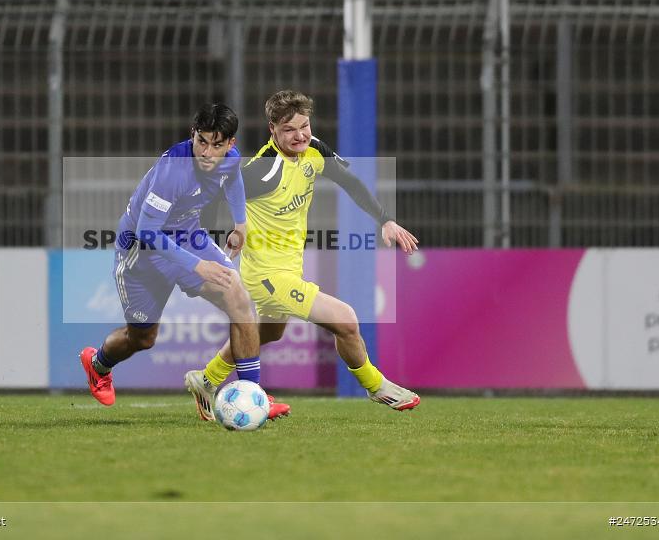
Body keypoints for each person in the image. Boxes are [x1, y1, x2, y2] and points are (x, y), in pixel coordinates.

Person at [185, 90, 421, 420]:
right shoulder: (264, 171)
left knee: (269, 331)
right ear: (272, 129)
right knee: (346, 320)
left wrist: (386, 220)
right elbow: (212, 194)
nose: (300, 136)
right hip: (266, 276)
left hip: (287, 270)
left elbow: (350, 181)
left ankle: (207, 379)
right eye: (289, 130)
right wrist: (208, 245)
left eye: (304, 126)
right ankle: (377, 386)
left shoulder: (313, 151)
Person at [80, 103, 267, 408]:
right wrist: (199, 266)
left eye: (216, 145)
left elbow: (233, 178)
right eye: (201, 141)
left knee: (239, 298)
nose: (207, 152)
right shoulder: (173, 172)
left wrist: (240, 223)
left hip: (187, 237)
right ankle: (97, 365)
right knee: (142, 339)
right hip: (141, 253)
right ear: (193, 134)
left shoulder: (229, 159)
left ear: (230, 144)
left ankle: (253, 396)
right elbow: (147, 233)